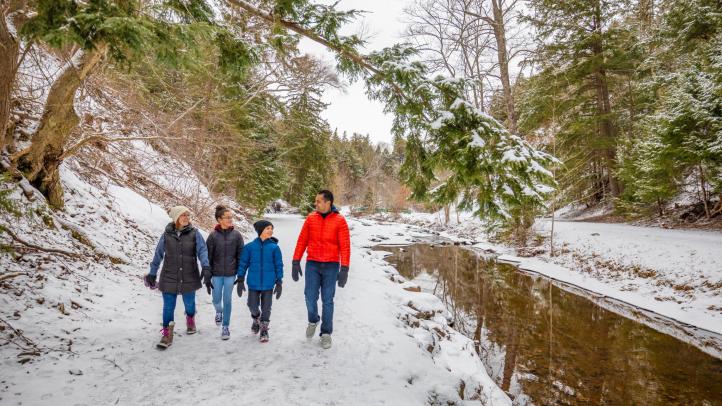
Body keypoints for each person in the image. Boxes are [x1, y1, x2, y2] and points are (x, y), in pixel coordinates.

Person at [144, 206, 210, 349]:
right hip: (169, 275)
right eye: (183, 215)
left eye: (188, 215)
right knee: (168, 307)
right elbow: (158, 254)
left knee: (189, 304)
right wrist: (152, 272)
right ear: (176, 218)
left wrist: (205, 266)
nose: (187, 217)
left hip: (189, 274)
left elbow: (202, 250)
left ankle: (190, 318)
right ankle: (167, 334)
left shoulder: (194, 233)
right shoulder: (166, 235)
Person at [291, 190, 350, 349]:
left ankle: (326, 333)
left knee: (327, 300)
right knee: (309, 296)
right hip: (313, 264)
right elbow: (302, 240)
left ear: (328, 203)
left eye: (318, 201)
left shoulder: (340, 221)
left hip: (331, 265)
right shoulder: (311, 218)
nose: (315, 203)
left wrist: (344, 268)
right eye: (315, 201)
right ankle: (313, 319)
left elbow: (345, 246)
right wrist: (295, 261)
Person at [236, 220, 283, 343]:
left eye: (272, 229)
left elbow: (279, 265)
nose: (271, 231)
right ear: (260, 230)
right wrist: (240, 278)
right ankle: (256, 318)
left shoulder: (274, 248)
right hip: (253, 283)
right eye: (268, 228)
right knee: (252, 305)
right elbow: (243, 264)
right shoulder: (249, 247)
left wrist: (279, 282)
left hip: (268, 283)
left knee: (266, 307)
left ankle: (264, 328)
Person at [204, 205, 244, 340]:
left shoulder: (237, 235)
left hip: (230, 274)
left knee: (227, 299)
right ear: (219, 219)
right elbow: (207, 257)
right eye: (227, 217)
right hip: (216, 273)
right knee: (216, 299)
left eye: (231, 217)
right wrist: (207, 275)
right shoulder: (213, 236)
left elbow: (241, 256)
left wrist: (240, 274)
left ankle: (225, 326)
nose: (230, 220)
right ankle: (218, 311)